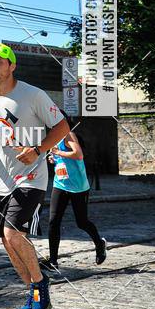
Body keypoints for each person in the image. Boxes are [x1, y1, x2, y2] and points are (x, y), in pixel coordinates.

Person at [0, 43, 69, 309]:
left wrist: (38, 150)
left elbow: (63, 126)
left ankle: (40, 283)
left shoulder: (33, 94)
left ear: (12, 66)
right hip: (2, 181)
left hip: (31, 177)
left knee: (13, 234)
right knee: (6, 240)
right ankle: (33, 291)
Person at [39, 116, 107, 274]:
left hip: (78, 187)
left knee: (82, 222)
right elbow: (59, 158)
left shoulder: (69, 135)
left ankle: (99, 244)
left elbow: (78, 154)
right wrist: (53, 158)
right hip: (60, 184)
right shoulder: (53, 138)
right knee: (53, 221)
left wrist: (59, 152)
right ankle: (53, 261)